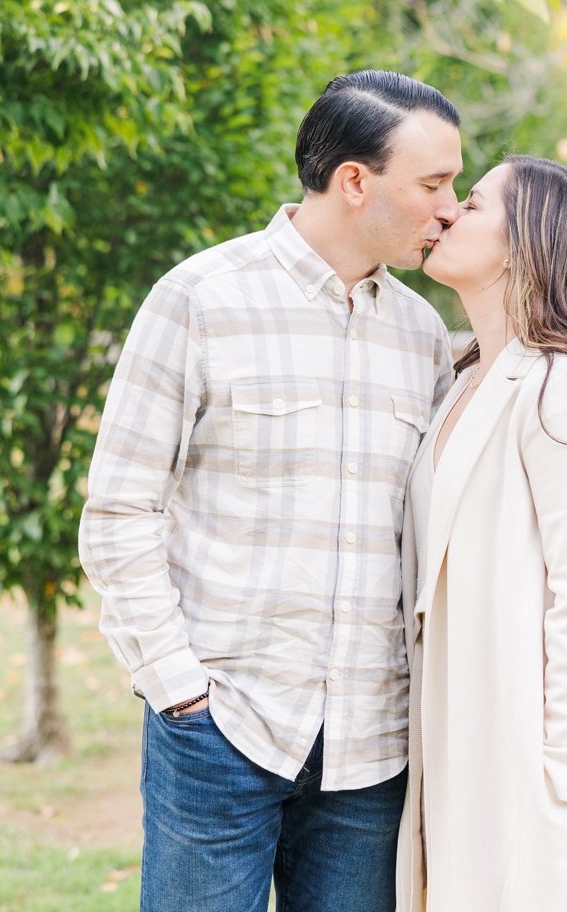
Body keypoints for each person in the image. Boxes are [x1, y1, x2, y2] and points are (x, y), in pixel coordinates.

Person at [78, 70, 461, 912]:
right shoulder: (200, 298)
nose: (451, 208)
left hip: (374, 750)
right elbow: (118, 511)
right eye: (434, 184)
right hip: (222, 729)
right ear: (355, 181)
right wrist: (177, 685)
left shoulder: (424, 334)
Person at [396, 155, 567, 911]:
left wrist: (561, 782)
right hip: (457, 734)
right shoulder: (463, 383)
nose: (446, 214)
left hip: (529, 760)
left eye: (472, 205)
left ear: (527, 243)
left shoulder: (565, 391)